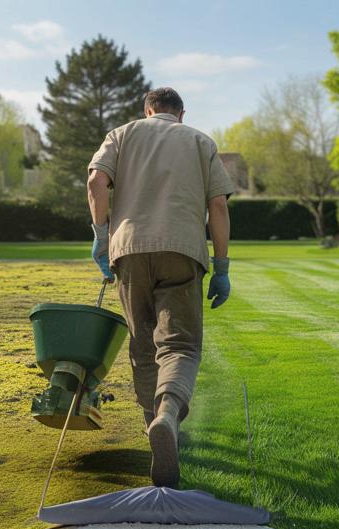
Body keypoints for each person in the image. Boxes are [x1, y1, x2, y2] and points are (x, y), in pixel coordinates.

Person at [86, 86, 234, 489]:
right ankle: (168, 414)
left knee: (143, 345)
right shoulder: (201, 141)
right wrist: (221, 267)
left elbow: (97, 182)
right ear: (180, 114)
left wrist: (101, 234)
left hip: (129, 249)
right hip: (183, 249)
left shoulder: (121, 133)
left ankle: (153, 426)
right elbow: (218, 206)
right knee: (180, 345)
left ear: (147, 110)